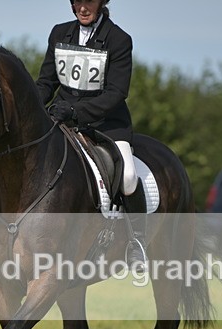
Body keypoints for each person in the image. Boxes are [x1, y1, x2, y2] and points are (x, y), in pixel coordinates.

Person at [36, 0, 146, 269]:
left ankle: (136, 242)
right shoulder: (59, 33)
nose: (83, 8)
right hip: (61, 119)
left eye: (90, 2)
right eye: (78, 2)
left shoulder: (119, 39)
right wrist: (30, 106)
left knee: (129, 177)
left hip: (106, 123)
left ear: (101, 3)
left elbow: (116, 93)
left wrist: (75, 110)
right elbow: (46, 82)